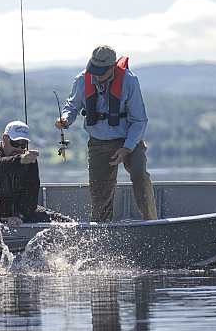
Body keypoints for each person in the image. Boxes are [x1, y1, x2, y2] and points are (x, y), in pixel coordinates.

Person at [55, 45, 158, 222]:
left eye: (101, 72)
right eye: (93, 70)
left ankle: (152, 222)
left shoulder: (129, 81)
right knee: (99, 191)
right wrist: (65, 119)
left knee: (139, 174)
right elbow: (72, 106)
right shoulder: (82, 79)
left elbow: (139, 120)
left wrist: (127, 148)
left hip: (128, 139)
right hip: (99, 142)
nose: (96, 75)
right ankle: (103, 230)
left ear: (112, 68)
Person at [0, 120, 71, 224]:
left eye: (23, 145)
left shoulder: (28, 160)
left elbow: (31, 196)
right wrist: (19, 160)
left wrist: (21, 215)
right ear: (5, 139)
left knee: (65, 223)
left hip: (19, 214)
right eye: (15, 143)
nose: (19, 149)